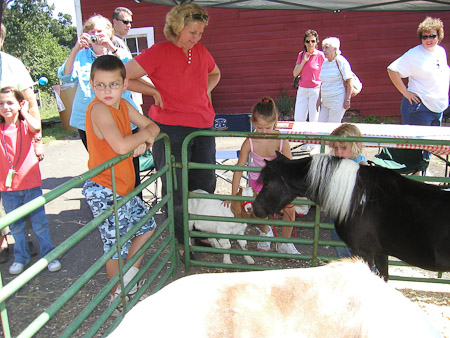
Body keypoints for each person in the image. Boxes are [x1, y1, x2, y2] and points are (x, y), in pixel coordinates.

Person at [124, 3, 221, 260]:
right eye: (192, 32)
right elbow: (124, 76)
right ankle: (181, 242)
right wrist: (153, 91)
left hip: (202, 127)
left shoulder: (201, 51)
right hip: (170, 129)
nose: (197, 38)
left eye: (200, 33)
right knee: (176, 188)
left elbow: (216, 73)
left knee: (204, 184)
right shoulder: (158, 52)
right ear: (177, 27)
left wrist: (204, 91)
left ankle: (201, 234)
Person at [82, 55, 159, 307]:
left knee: (147, 228)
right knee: (116, 245)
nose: (107, 91)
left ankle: (126, 283)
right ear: (92, 85)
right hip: (105, 187)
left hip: (123, 185)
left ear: (124, 84)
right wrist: (142, 138)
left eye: (113, 84)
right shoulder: (99, 109)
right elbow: (120, 145)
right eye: (100, 85)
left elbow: (153, 126)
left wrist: (145, 138)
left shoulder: (123, 105)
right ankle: (119, 297)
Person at [0, 86, 61, 275]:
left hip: (30, 183)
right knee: (16, 226)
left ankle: (49, 255)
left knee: (39, 223)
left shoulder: (26, 125)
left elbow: (36, 127)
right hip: (7, 187)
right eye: (1, 103)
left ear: (19, 104)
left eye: (10, 102)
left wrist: (25, 112)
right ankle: (21, 257)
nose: (5, 107)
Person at [230, 98, 300, 255]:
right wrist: (234, 195)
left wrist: (290, 189)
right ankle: (266, 231)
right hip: (257, 182)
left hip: (278, 182)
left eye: (268, 128)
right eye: (259, 127)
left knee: (290, 207)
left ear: (275, 122)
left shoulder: (281, 141)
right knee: (252, 209)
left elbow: (290, 167)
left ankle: (284, 242)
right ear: (252, 122)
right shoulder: (250, 141)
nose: (263, 132)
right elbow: (239, 168)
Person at [0, 23, 42, 264]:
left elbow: (30, 103)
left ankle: (22, 236)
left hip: (15, 139)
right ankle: (4, 238)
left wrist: (38, 141)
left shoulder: (12, 64)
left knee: (19, 188)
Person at [387, 17, 450, 127]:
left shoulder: (440, 51)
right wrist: (406, 93)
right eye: (424, 37)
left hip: (438, 109)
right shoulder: (414, 54)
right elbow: (392, 70)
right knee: (416, 144)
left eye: (432, 36)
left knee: (433, 144)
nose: (428, 40)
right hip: (419, 109)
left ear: (439, 36)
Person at [328, 123, 367, 257]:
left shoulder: (361, 166)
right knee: (341, 249)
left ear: (357, 145)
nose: (338, 152)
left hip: (355, 219)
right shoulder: (336, 163)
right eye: (335, 148)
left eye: (343, 148)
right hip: (338, 216)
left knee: (360, 253)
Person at [112, 7, 144, 114]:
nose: (129, 25)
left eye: (130, 22)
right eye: (125, 22)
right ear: (115, 22)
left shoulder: (120, 41)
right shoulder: (114, 41)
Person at [317, 37, 354, 123]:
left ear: (335, 49)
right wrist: (318, 99)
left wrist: (347, 99)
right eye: (323, 48)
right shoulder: (324, 63)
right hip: (325, 101)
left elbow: (349, 80)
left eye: (326, 47)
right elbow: (322, 82)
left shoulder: (341, 61)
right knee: (320, 126)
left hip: (337, 100)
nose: (324, 50)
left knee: (332, 127)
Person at [293, 29, 325, 122]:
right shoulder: (301, 54)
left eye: (313, 41)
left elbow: (325, 73)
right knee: (299, 118)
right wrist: (304, 60)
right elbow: (295, 73)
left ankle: (313, 136)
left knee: (314, 118)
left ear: (316, 42)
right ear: (304, 43)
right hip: (303, 89)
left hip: (315, 89)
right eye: (308, 41)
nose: (310, 43)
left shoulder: (320, 55)